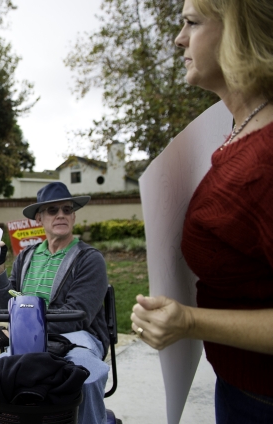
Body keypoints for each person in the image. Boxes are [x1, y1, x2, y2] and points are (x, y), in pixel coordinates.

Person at [130, 1, 273, 422]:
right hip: (242, 388)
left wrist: (190, 322)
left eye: (191, 22)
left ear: (240, 32)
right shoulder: (239, 128)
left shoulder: (265, 159)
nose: (179, 38)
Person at [0, 182, 109, 424]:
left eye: (66, 209)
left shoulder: (89, 259)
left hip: (78, 337)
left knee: (87, 376)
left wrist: (16, 331)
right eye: (53, 210)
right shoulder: (26, 256)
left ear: (74, 216)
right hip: (25, 338)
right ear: (39, 218)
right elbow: (10, 302)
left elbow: (78, 315)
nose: (61, 214)